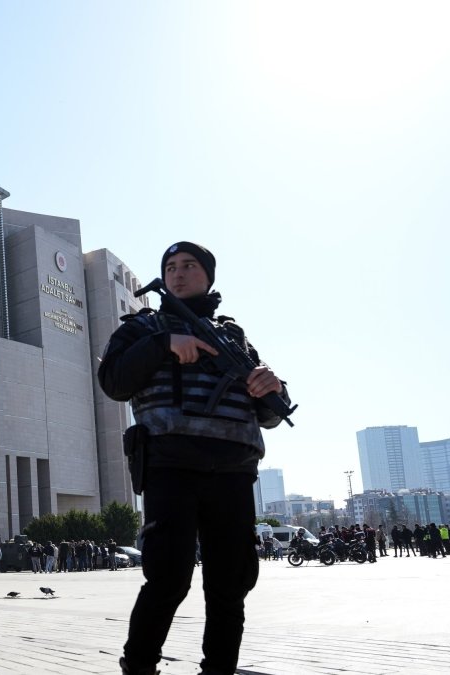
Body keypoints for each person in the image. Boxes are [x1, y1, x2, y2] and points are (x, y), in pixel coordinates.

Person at [98, 242, 290, 675]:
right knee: (167, 576)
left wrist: (271, 385)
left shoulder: (234, 336)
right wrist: (165, 343)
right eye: (170, 267)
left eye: (189, 266)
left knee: (231, 583)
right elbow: (113, 381)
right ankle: (140, 665)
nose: (178, 274)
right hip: (171, 464)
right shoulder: (142, 328)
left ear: (208, 275)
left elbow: (269, 413)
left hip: (233, 470)